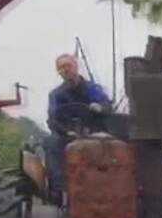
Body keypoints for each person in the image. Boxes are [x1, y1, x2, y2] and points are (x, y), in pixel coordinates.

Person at [44, 54, 112, 201]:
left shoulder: (91, 88)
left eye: (67, 66)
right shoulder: (56, 95)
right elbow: (52, 120)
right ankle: (59, 189)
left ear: (76, 66)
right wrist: (66, 131)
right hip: (67, 136)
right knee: (50, 142)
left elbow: (107, 105)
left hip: (94, 133)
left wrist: (100, 107)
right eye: (61, 68)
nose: (65, 70)